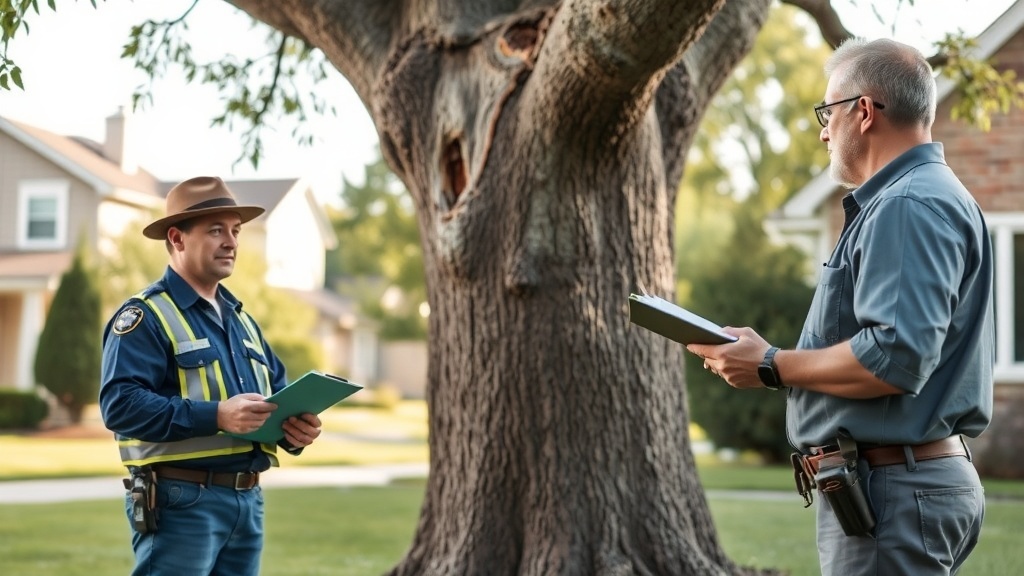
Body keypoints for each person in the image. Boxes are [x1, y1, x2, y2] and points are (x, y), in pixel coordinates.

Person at [687, 38, 993, 576]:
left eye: (827, 113)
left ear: (865, 111)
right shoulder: (926, 196)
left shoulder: (905, 204)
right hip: (904, 486)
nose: (824, 131)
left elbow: (894, 356)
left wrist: (771, 364)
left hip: (893, 493)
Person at [100, 176, 323, 575]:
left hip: (248, 501)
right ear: (177, 238)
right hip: (179, 501)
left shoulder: (243, 322)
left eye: (235, 231)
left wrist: (295, 431)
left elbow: (277, 395)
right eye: (216, 230)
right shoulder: (145, 316)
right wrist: (218, 415)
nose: (231, 242)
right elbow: (120, 406)